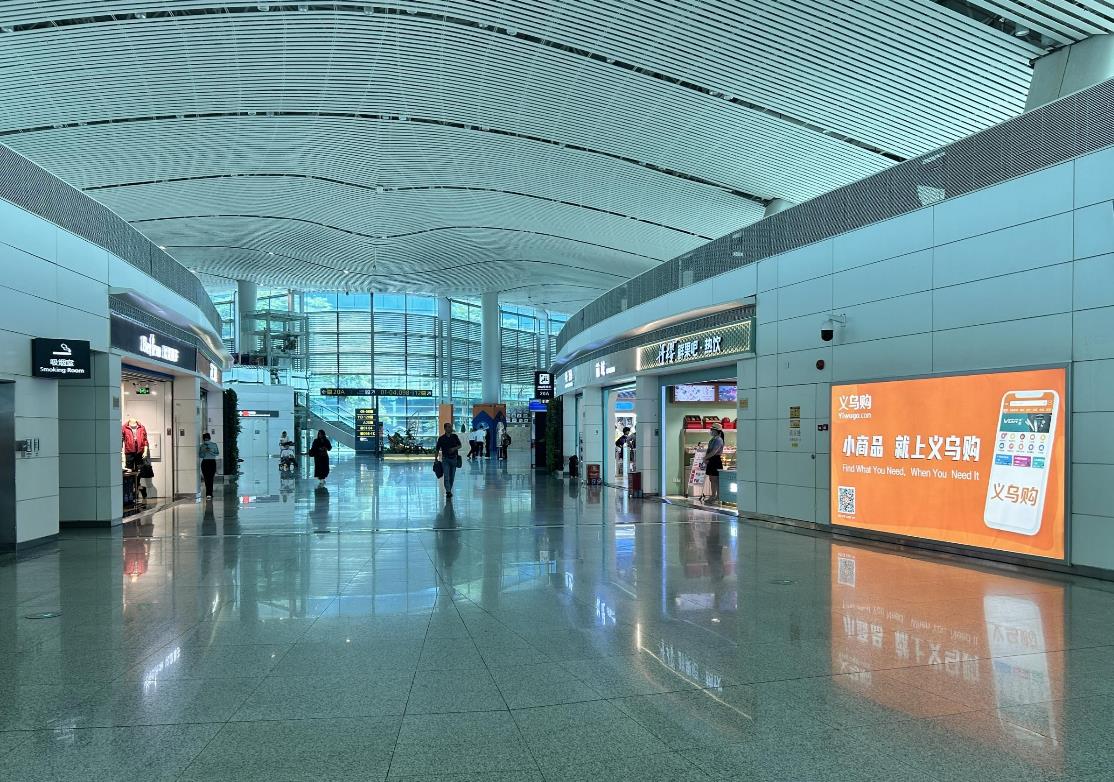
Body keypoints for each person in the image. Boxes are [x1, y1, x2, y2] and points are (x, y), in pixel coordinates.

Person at [434, 422, 463, 498]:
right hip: (445, 459)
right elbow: (437, 449)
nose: (451, 428)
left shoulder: (455, 436)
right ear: (445, 428)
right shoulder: (441, 438)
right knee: (446, 476)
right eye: (449, 427)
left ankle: (449, 489)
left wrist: (454, 449)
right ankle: (448, 491)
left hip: (454, 459)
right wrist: (435, 459)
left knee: (452, 477)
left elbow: (460, 445)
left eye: (451, 427)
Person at [704, 423, 725, 504]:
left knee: (715, 480)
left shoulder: (719, 440)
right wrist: (706, 458)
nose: (711, 431)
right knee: (712, 479)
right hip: (711, 460)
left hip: (715, 460)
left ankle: (716, 496)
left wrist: (705, 458)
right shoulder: (713, 439)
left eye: (712, 430)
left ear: (717, 431)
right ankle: (714, 496)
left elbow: (714, 451)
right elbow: (709, 450)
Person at [199, 433, 220, 500]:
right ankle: (208, 494)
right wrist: (204, 451)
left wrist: (210, 451)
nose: (206, 440)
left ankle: (210, 493)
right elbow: (200, 455)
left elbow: (217, 453)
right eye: (205, 439)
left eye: (207, 439)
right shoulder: (202, 446)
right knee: (206, 478)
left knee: (211, 478)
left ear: (209, 438)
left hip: (212, 462)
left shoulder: (214, 445)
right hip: (205, 462)